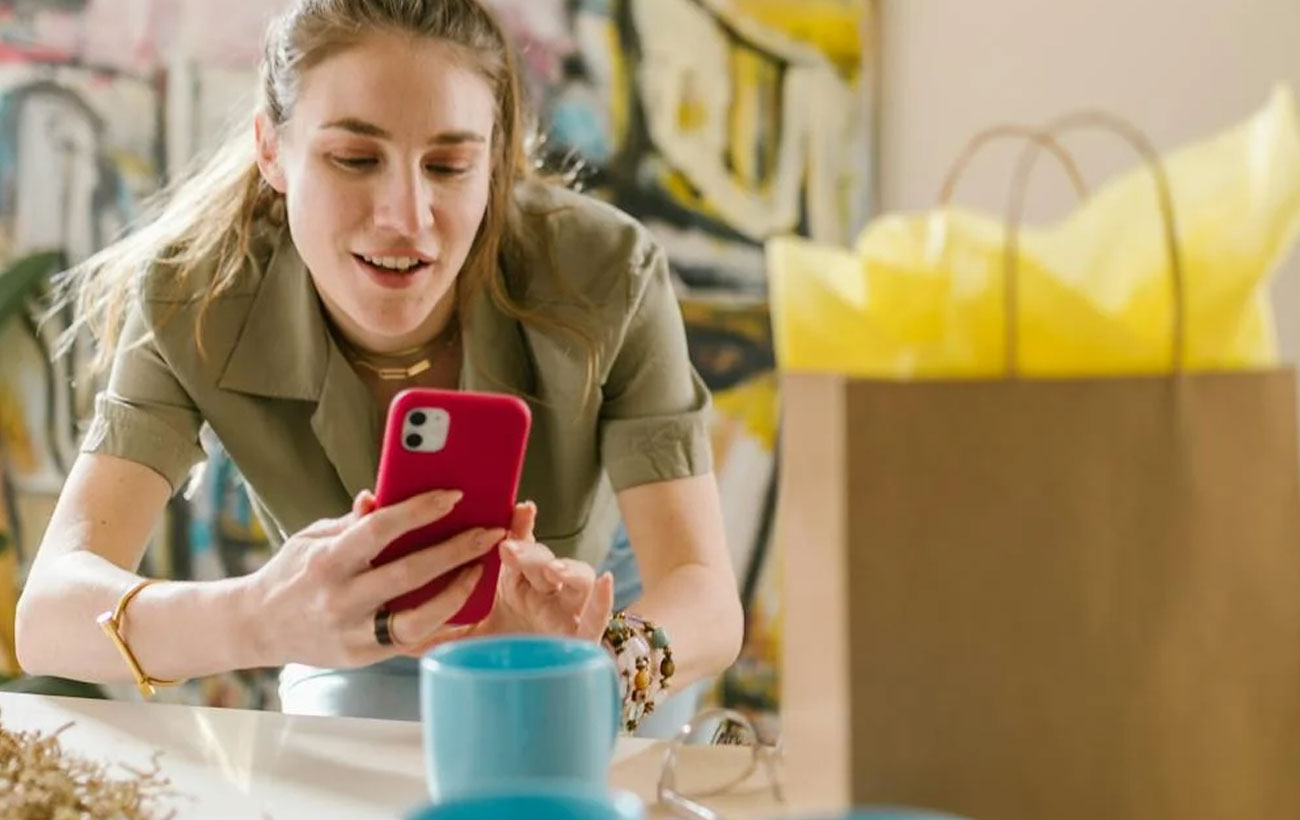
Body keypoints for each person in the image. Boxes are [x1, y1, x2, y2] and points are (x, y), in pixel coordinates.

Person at [14, 0, 742, 730]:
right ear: (273, 151)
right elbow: (49, 615)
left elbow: (703, 597)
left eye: (450, 165)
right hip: (345, 626)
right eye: (355, 160)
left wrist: (591, 665)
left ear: (493, 162)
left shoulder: (607, 269)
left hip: (595, 626)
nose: (406, 215)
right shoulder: (195, 297)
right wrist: (262, 617)